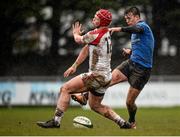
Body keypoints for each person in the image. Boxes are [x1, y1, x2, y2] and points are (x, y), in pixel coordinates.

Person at [36, 9, 132, 129]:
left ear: (101, 21)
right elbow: (87, 49)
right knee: (95, 106)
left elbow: (78, 40)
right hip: (106, 77)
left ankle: (56, 121)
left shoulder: (94, 34)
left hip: (96, 75)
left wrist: (76, 33)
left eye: (96, 18)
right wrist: (74, 66)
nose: (93, 19)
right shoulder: (107, 32)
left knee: (65, 88)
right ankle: (122, 123)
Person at [71, 6, 155, 129]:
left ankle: (132, 121)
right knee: (108, 79)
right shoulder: (135, 32)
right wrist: (130, 52)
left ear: (137, 17)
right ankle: (84, 97)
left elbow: (136, 29)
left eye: (129, 18)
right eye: (126, 18)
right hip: (130, 63)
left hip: (142, 70)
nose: (127, 20)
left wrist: (117, 29)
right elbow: (145, 48)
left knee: (129, 103)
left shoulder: (143, 26)